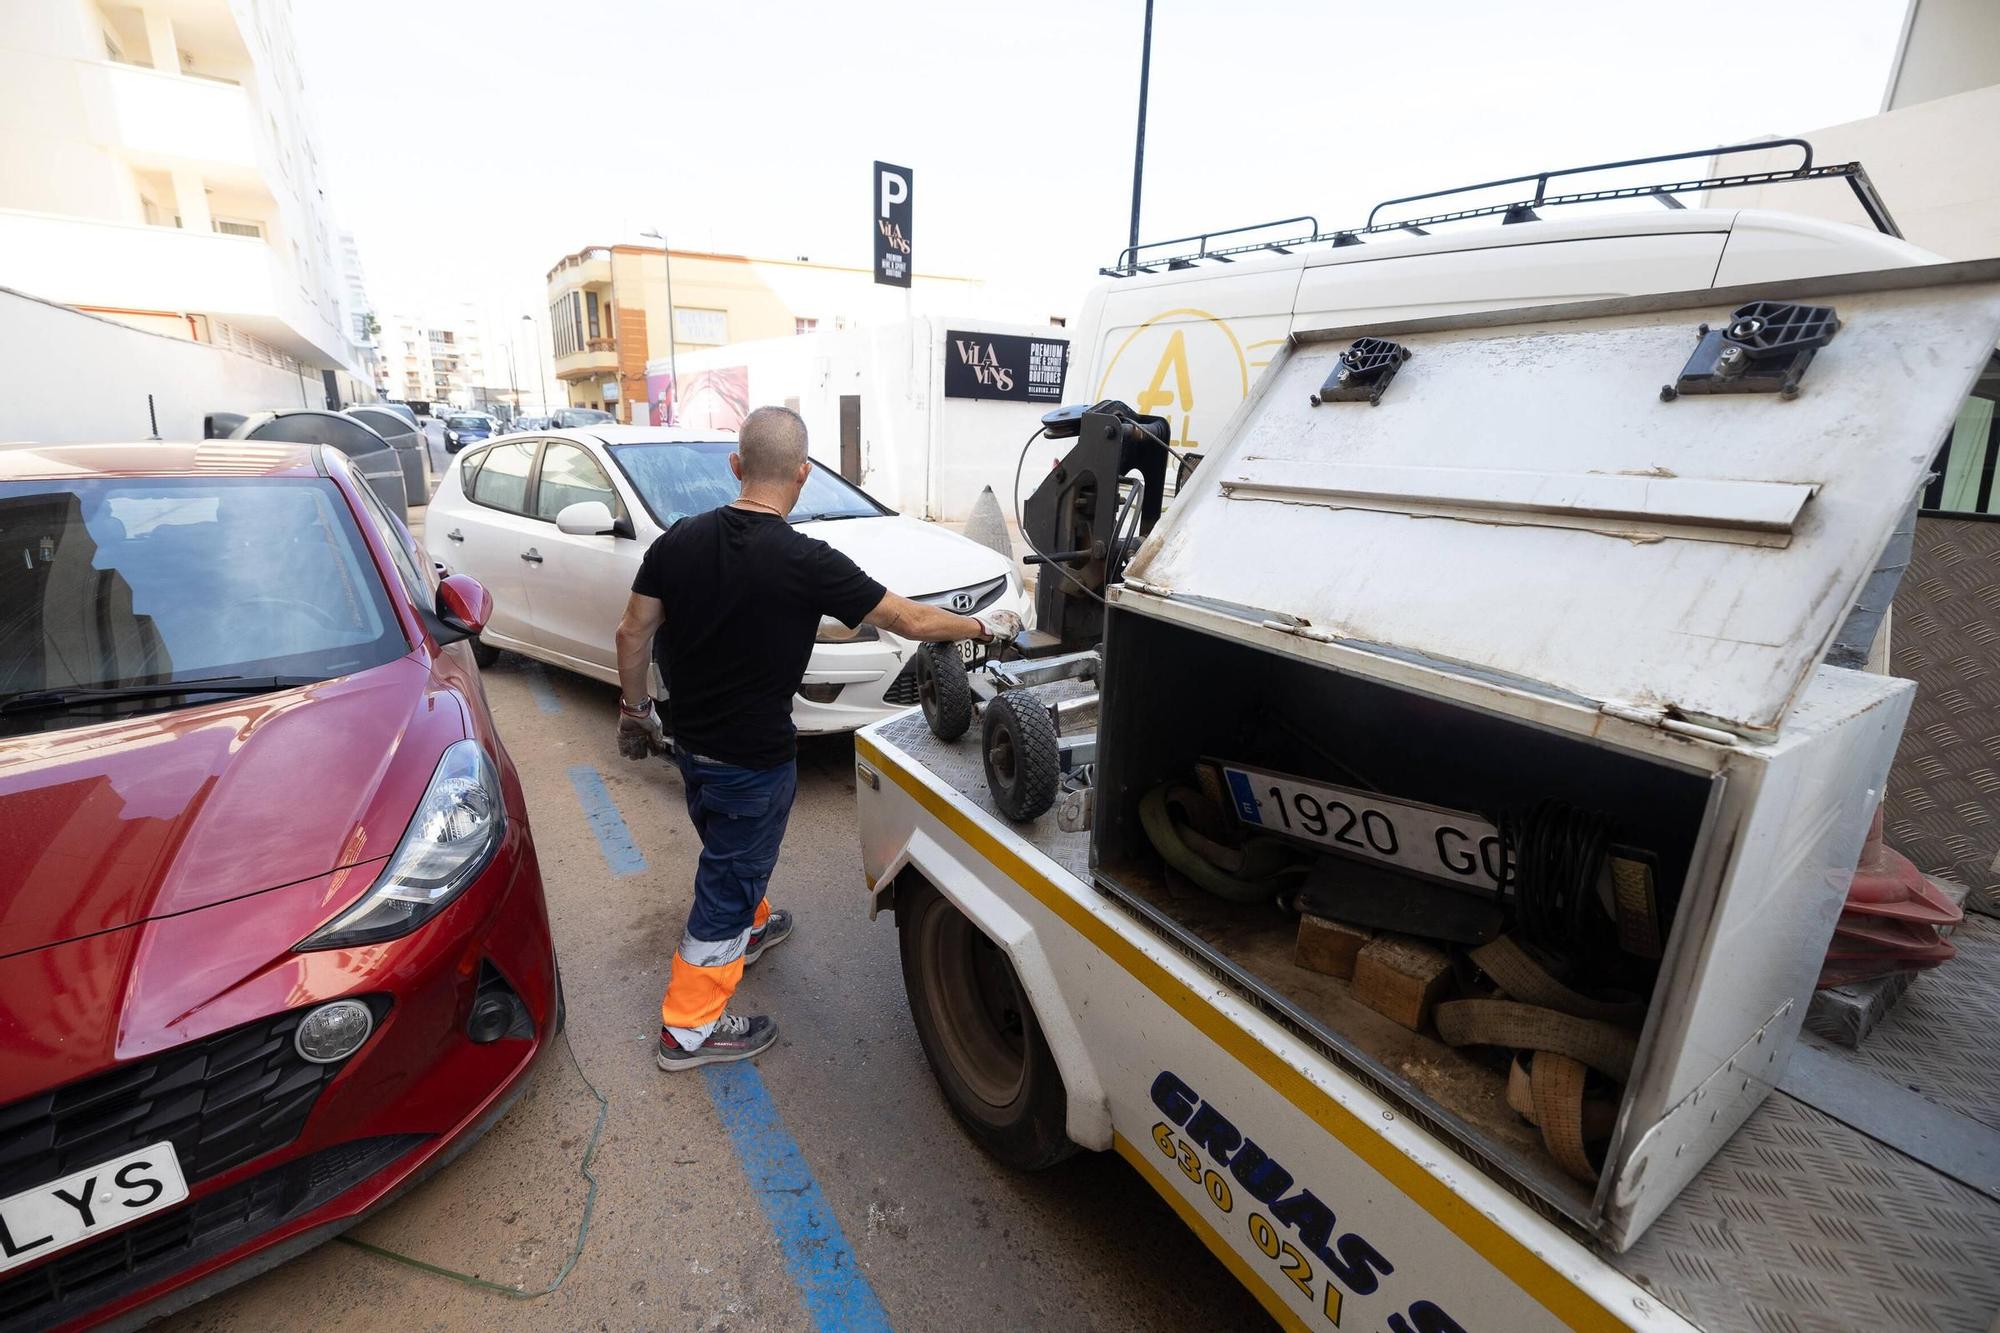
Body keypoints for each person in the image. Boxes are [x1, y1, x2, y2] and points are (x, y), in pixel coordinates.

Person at [613, 406, 1022, 1070]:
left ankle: (747, 926)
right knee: (727, 879)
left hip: (690, 745)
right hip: (755, 761)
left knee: (730, 854)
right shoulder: (808, 561)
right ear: (803, 474)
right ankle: (688, 1029)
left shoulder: (678, 540)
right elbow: (910, 619)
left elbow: (632, 632)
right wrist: (983, 628)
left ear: (737, 466)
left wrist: (634, 710)